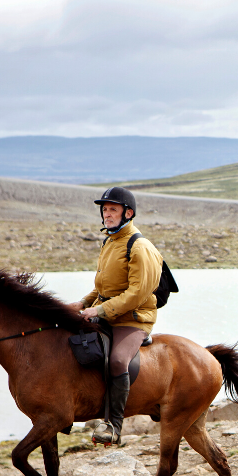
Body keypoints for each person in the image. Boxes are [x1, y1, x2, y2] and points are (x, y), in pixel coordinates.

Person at [70, 186, 163, 445]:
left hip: (133, 319)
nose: (107, 214)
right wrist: (81, 303)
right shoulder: (110, 241)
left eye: (113, 209)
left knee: (119, 361)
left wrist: (99, 310)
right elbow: (103, 288)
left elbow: (136, 293)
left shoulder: (139, 246)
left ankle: (113, 426)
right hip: (109, 314)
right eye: (105, 210)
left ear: (128, 213)